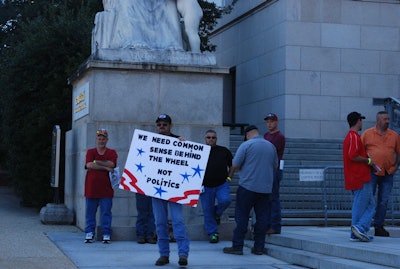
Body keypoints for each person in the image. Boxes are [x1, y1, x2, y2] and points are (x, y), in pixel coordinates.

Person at [223, 125, 278, 255]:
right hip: (265, 189)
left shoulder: (246, 145)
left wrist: (229, 179)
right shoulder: (271, 146)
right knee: (262, 218)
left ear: (247, 135)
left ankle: (237, 246)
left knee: (242, 217)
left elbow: (235, 165)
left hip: (247, 187)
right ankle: (259, 247)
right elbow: (275, 167)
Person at [152, 114, 190, 266]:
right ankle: (164, 255)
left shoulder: (179, 141)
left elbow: (188, 160)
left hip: (174, 189)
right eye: (159, 124)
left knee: (178, 221)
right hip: (156, 188)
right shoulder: (150, 142)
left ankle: (183, 254)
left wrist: (185, 145)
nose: (162, 126)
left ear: (170, 126)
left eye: (165, 124)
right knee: (160, 222)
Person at [361, 111, 400, 237]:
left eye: (388, 119)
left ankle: (379, 226)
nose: (388, 121)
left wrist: (395, 167)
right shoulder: (367, 134)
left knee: (383, 201)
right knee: (368, 199)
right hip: (372, 172)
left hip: (388, 172)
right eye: (385, 119)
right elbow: (360, 152)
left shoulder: (394, 135)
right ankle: (363, 226)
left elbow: (399, 152)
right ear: (378, 121)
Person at [342, 112, 375, 242]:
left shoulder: (350, 136)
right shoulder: (354, 136)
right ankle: (359, 228)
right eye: (361, 120)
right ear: (357, 121)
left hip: (355, 176)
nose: (362, 122)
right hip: (360, 176)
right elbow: (353, 155)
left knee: (365, 204)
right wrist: (368, 161)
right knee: (366, 205)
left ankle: (357, 232)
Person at [84, 129, 118, 244]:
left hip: (106, 189)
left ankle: (106, 234)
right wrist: (105, 167)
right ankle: (89, 233)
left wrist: (97, 162)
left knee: (106, 213)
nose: (101, 140)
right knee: (90, 212)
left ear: (107, 140)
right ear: (96, 139)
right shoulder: (90, 152)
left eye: (103, 138)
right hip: (91, 189)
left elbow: (112, 164)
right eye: (99, 138)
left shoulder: (112, 152)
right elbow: (89, 164)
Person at [200, 130, 232, 243]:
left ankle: (217, 213)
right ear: (205, 139)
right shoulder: (199, 151)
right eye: (208, 137)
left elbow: (233, 165)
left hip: (221, 184)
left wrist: (229, 177)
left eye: (213, 137)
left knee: (226, 200)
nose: (211, 139)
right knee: (207, 210)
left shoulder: (224, 151)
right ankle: (213, 234)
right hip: (205, 186)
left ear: (216, 139)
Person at [263, 113, 285, 235]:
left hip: (275, 169)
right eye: (267, 121)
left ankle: (275, 225)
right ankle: (267, 223)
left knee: (274, 198)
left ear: (276, 122)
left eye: (271, 121)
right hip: (266, 169)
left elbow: (270, 150)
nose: (269, 123)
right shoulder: (266, 135)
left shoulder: (279, 136)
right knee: (267, 198)